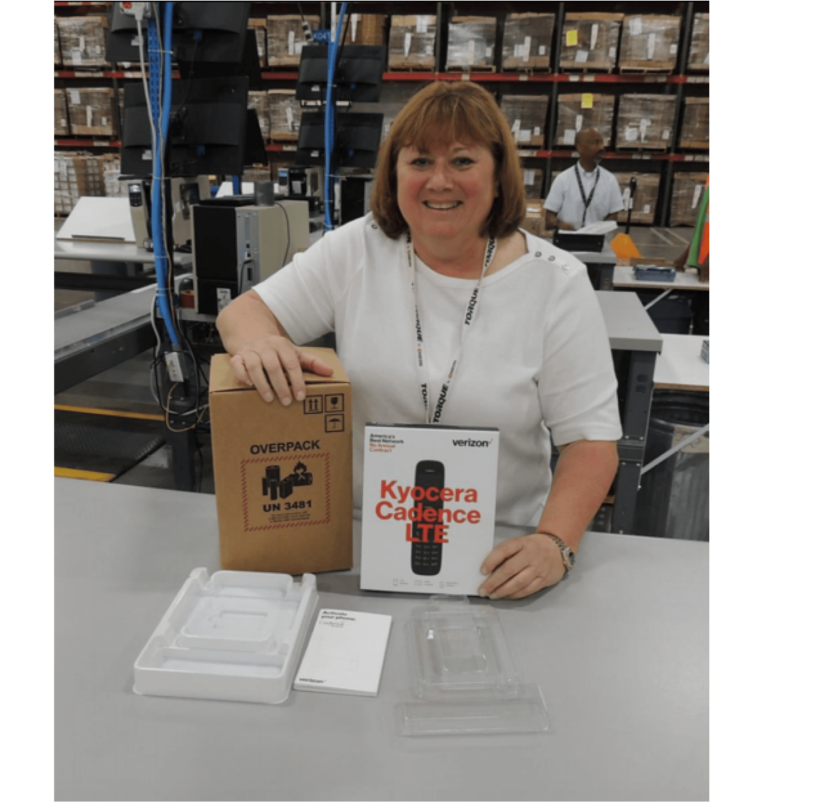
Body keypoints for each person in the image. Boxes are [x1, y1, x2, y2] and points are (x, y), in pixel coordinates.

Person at [217, 82, 622, 600]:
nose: (439, 181)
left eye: (461, 161)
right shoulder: (358, 249)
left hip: (500, 553)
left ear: (498, 176)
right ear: (394, 174)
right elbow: (244, 312)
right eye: (420, 161)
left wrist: (555, 542)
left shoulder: (556, 282)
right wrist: (258, 343)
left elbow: (590, 441)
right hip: (359, 538)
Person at [544, 128, 625, 232]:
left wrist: (599, 230)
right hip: (567, 241)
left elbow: (613, 216)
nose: (601, 147)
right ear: (580, 147)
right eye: (595, 143)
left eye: (601, 143)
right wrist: (561, 225)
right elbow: (549, 216)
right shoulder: (563, 179)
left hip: (596, 241)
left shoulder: (610, 180)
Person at [673, 174, 710, 334]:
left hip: (707, 267)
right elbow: (705, 227)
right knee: (700, 321)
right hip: (704, 270)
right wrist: (687, 255)